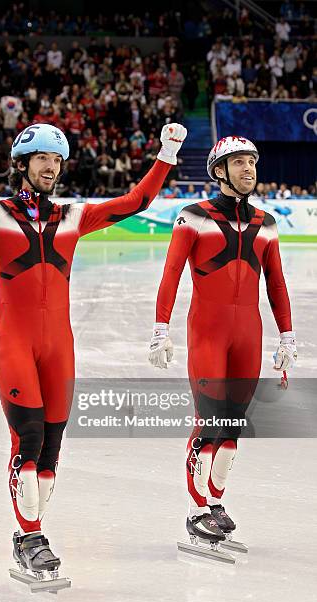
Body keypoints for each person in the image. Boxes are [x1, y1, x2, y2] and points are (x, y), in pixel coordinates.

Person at [0, 83, 187, 577]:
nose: (50, 167)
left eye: (57, 160)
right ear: (21, 164)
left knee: (51, 450)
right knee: (27, 439)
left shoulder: (73, 217)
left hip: (59, 348)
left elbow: (136, 201)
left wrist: (167, 155)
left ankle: (34, 524)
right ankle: (30, 536)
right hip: (14, 344)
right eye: (40, 158)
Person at [148, 135, 297, 549]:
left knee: (232, 424)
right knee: (209, 419)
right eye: (240, 163)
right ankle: (197, 510)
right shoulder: (192, 216)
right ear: (219, 170)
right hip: (208, 334)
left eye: (253, 161)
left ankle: (215, 503)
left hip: (249, 335)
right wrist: (161, 329)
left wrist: (287, 336)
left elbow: (278, 284)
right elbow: (171, 273)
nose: (249, 169)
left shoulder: (266, 222)